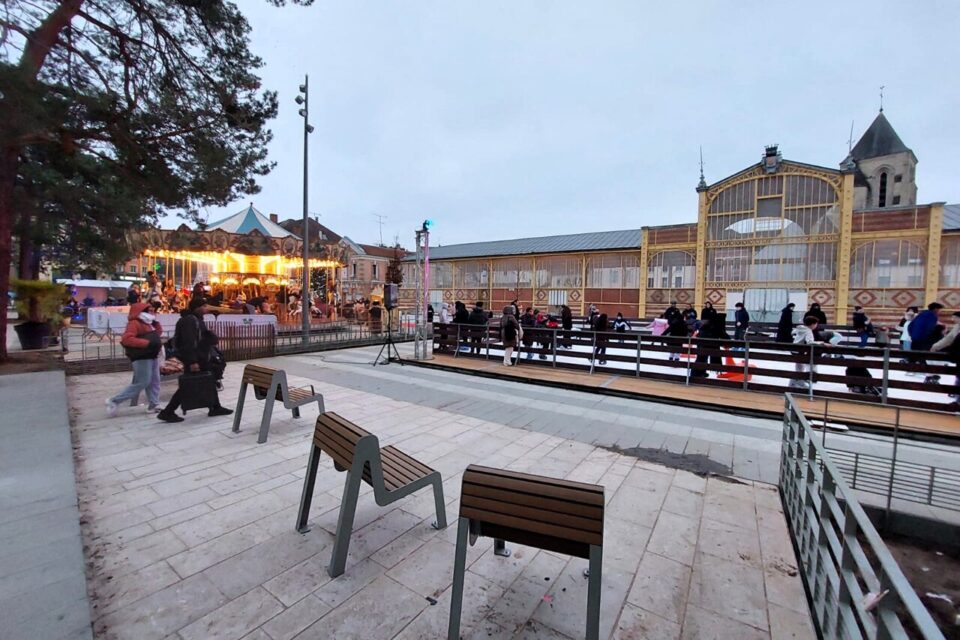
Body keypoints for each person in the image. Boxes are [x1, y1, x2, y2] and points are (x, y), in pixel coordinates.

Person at [157, 298, 233, 423]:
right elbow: (189, 342)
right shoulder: (190, 321)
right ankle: (168, 411)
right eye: (204, 306)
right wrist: (192, 361)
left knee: (210, 380)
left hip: (201, 357)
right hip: (196, 358)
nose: (206, 308)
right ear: (197, 307)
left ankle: (215, 407)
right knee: (187, 386)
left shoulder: (196, 319)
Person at [106, 301, 163, 416]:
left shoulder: (149, 322)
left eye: (153, 310)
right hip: (142, 356)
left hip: (152, 354)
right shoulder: (134, 323)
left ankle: (154, 404)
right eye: (149, 310)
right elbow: (126, 339)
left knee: (154, 381)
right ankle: (114, 400)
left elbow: (157, 334)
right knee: (142, 382)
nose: (152, 312)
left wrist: (156, 325)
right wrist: (146, 343)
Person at [932, 311, 960, 411]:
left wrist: (937, 347)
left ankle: (958, 401)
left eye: (955, 318)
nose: (953, 320)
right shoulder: (957, 327)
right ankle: (957, 400)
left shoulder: (958, 328)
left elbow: (950, 340)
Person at [790, 315, 820, 389]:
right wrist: (821, 343)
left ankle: (795, 382)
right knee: (800, 367)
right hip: (800, 350)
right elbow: (810, 342)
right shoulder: (808, 331)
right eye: (816, 324)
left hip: (794, 349)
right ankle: (799, 382)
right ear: (812, 324)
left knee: (799, 366)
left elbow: (792, 332)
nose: (816, 326)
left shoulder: (800, 328)